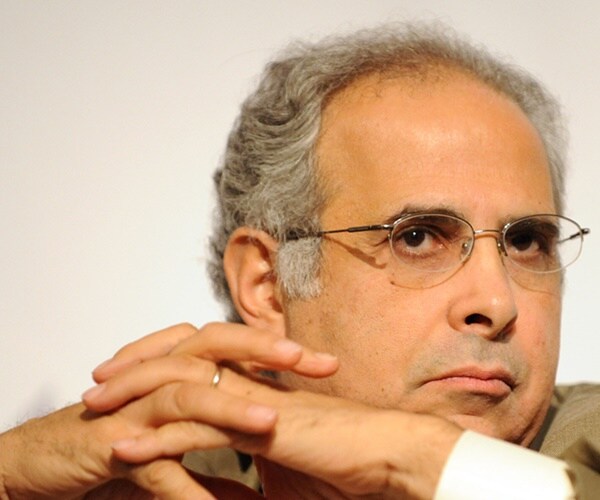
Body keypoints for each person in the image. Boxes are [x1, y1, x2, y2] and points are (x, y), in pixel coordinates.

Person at [1, 22, 598, 499]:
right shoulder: (163, 472)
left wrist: (412, 459)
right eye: (417, 238)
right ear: (267, 285)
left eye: (526, 242)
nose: (496, 301)